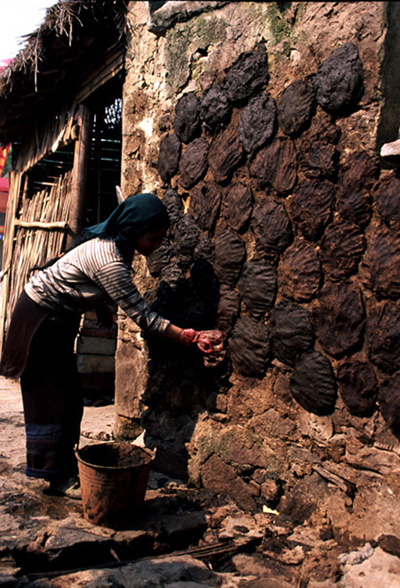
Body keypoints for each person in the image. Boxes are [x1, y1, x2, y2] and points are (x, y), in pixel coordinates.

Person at [0, 192, 216, 499]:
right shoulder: (111, 260)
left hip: (52, 318)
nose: (156, 246)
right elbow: (145, 318)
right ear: (136, 231)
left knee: (69, 397)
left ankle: (58, 469)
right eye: (154, 238)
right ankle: (55, 478)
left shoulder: (115, 245)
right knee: (53, 399)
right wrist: (188, 336)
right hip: (40, 321)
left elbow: (87, 283)